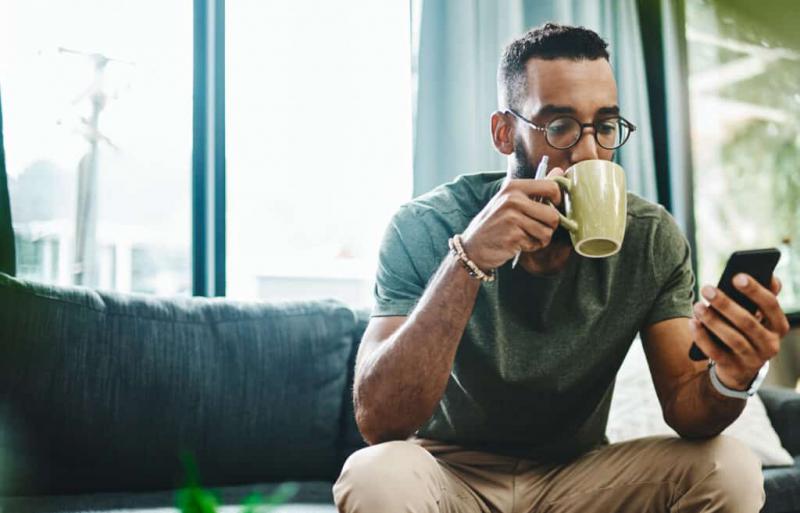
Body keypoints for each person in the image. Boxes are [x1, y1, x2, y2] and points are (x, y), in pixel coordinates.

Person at [333, 23, 790, 513]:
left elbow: (687, 407)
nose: (588, 153)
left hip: (580, 477)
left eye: (606, 126)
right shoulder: (424, 226)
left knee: (730, 466)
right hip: (450, 473)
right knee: (374, 474)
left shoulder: (649, 237)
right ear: (505, 133)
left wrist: (731, 376)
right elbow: (380, 422)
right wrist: (467, 259)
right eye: (560, 126)